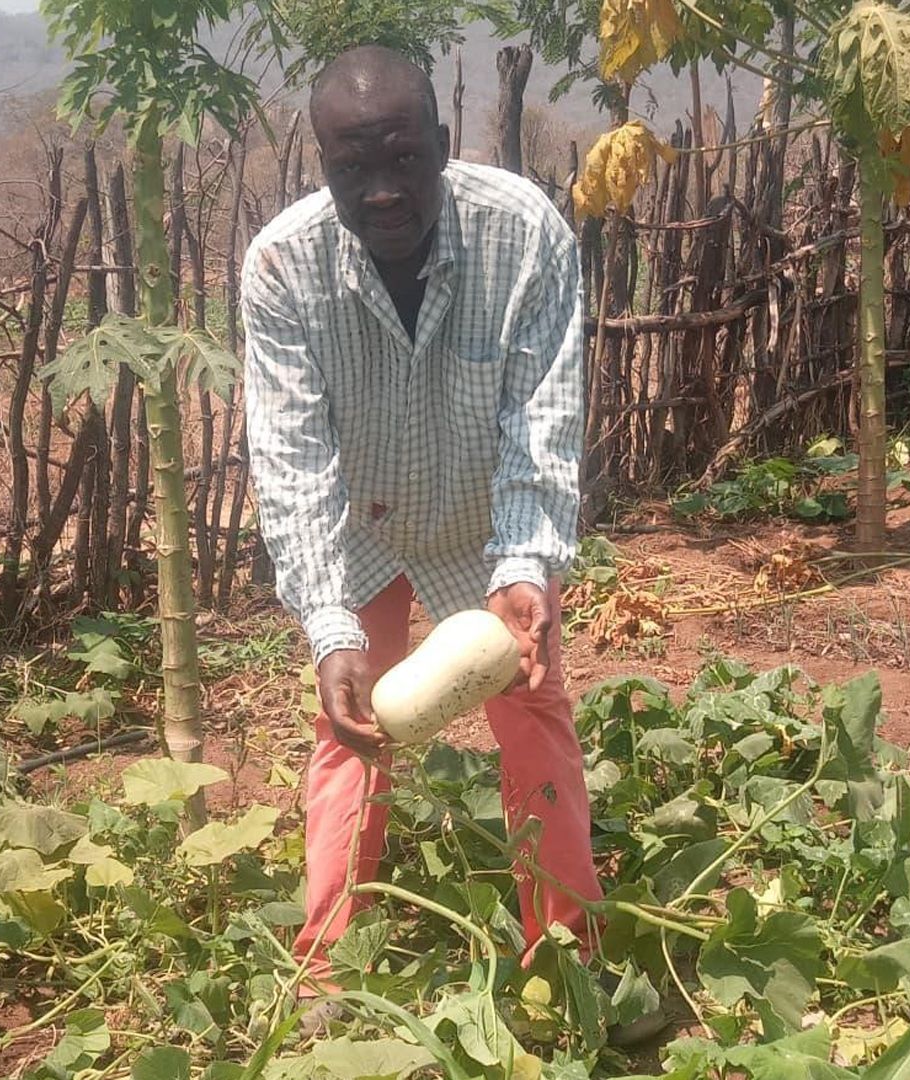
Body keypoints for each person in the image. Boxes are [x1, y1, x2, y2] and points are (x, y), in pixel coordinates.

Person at [239, 45, 663, 1045]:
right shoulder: (283, 269)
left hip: (488, 523)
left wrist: (525, 569)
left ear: (440, 142)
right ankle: (329, 967)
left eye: (403, 157)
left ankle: (562, 957)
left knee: (535, 717)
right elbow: (293, 461)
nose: (383, 189)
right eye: (353, 167)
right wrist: (331, 628)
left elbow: (543, 423)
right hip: (366, 524)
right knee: (351, 732)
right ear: (321, 161)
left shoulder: (525, 237)